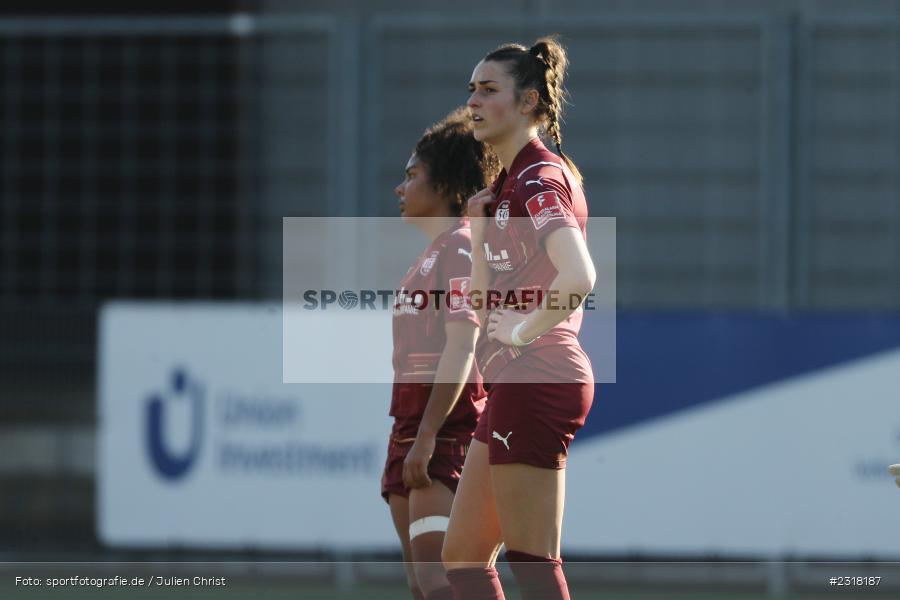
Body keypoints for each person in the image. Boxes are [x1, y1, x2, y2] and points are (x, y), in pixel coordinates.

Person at [441, 37, 596, 600]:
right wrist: (480, 233)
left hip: (541, 375)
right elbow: (483, 305)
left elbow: (580, 278)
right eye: (471, 91)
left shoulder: (538, 178)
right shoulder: (505, 188)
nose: (474, 103)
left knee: (533, 563)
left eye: (488, 91)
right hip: (518, 379)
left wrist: (524, 328)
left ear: (530, 102)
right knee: (460, 557)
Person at [382, 107, 500, 600]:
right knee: (423, 586)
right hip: (408, 430)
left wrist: (428, 435)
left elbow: (463, 343)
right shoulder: (429, 254)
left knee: (443, 582)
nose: (400, 187)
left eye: (412, 176)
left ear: (447, 184)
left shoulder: (459, 247)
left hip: (445, 432)